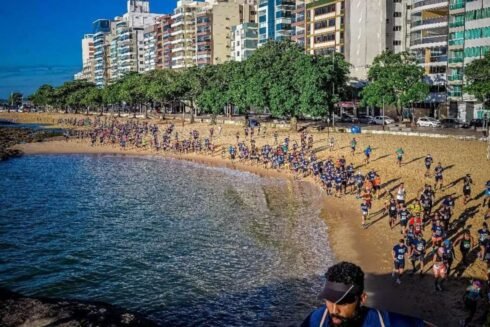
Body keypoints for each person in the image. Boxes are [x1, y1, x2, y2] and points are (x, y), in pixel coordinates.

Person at [301, 261, 427, 327]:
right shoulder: (317, 320)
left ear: (362, 299)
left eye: (343, 302)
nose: (334, 310)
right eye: (329, 300)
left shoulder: (386, 322)